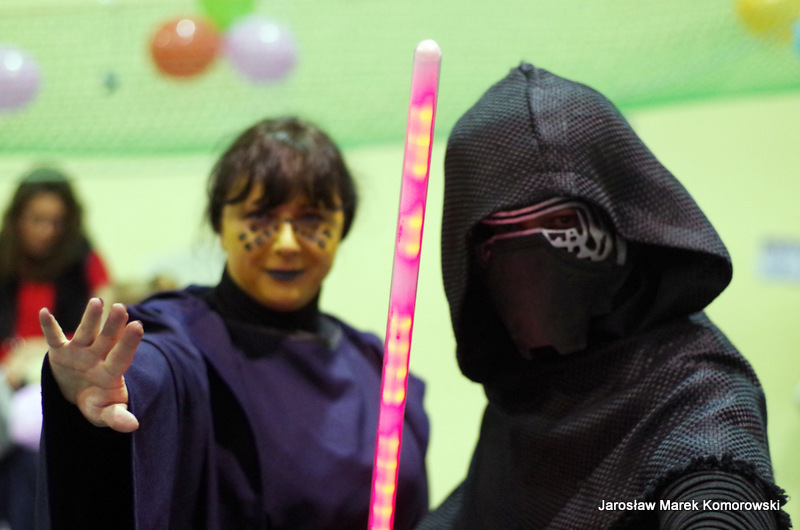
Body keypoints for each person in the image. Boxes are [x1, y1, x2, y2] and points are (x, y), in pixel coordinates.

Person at [419, 64, 790, 529]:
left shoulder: (695, 389)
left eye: (561, 225)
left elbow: (718, 492)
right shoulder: (524, 390)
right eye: (500, 237)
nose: (529, 265)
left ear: (621, 223)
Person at [36, 117, 429, 529]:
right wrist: (112, 391)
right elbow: (149, 368)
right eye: (260, 218)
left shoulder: (377, 366)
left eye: (311, 219)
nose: (287, 243)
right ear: (220, 224)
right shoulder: (179, 336)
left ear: (341, 226)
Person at [0, 167, 111, 530]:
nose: (46, 231)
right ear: (17, 218)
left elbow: (104, 324)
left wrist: (36, 351)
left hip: (55, 375)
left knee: (30, 431)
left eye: (56, 222)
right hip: (5, 376)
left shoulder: (84, 260)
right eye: (36, 220)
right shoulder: (4, 256)